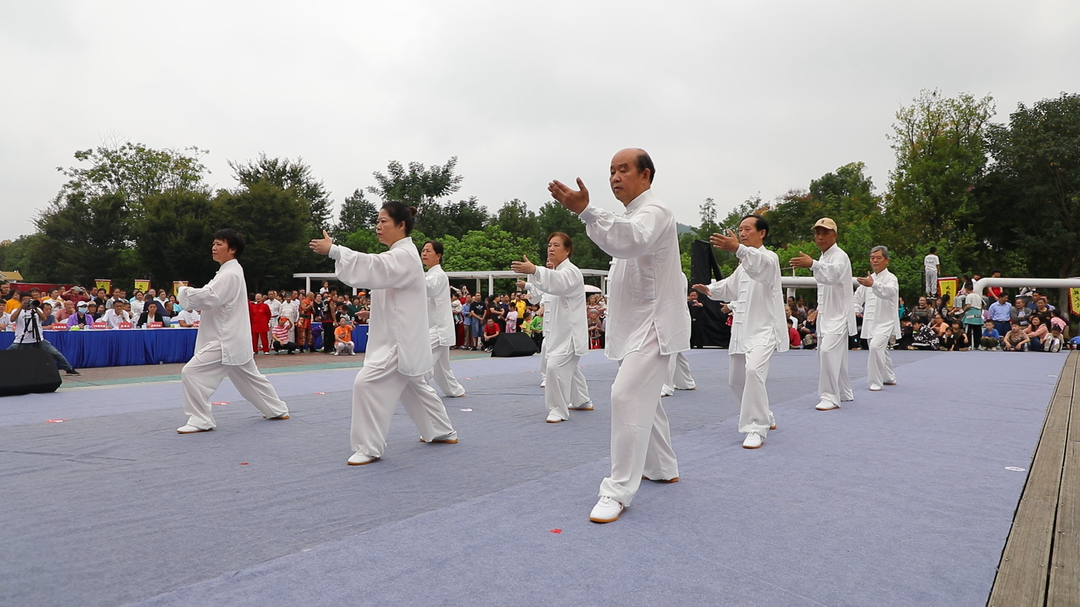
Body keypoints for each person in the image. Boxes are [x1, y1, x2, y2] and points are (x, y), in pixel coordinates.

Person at [549, 148, 690, 524]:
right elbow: (619, 240)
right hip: (637, 326)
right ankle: (662, 467)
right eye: (611, 170)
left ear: (645, 175)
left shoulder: (655, 211)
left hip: (655, 324)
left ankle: (617, 490)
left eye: (623, 170)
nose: (614, 177)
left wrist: (585, 211)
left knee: (625, 394)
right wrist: (590, 214)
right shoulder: (630, 215)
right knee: (645, 399)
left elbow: (629, 240)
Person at [309, 202, 458, 466]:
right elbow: (390, 290)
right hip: (399, 335)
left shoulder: (402, 255)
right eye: (377, 222)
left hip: (399, 340)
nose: (378, 227)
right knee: (414, 386)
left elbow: (373, 266)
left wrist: (334, 250)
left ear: (401, 226)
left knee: (366, 383)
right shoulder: (400, 255)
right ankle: (441, 430)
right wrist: (372, 314)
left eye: (384, 222)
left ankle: (369, 447)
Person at [175, 229, 290, 434]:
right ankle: (276, 409)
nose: (214, 247)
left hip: (225, 337)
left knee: (192, 372)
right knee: (250, 377)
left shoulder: (230, 273)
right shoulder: (228, 272)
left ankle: (200, 418)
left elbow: (210, 297)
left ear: (233, 249)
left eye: (219, 244)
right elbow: (212, 297)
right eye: (214, 243)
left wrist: (184, 292)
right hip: (233, 336)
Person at [694, 215, 787, 449]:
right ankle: (764, 412)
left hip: (763, 329)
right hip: (741, 329)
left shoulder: (769, 258)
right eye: (740, 230)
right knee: (736, 382)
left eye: (747, 229)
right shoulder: (743, 264)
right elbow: (730, 287)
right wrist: (710, 289)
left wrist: (737, 248)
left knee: (754, 371)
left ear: (762, 233)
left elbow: (759, 265)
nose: (742, 233)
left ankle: (755, 426)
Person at [511, 232, 593, 423]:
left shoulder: (571, 272)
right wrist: (531, 282)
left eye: (556, 245)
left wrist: (535, 270)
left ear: (567, 250)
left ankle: (558, 409)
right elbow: (542, 291)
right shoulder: (555, 274)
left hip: (570, 334)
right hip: (557, 332)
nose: (551, 249)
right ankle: (582, 400)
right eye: (549, 245)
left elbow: (557, 284)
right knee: (569, 369)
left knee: (555, 367)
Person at [789, 218, 856, 411]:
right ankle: (844, 392)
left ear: (834, 235)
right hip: (826, 314)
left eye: (825, 232)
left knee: (827, 352)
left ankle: (830, 396)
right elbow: (826, 286)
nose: (820, 237)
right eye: (817, 233)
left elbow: (833, 274)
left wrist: (812, 264)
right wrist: (818, 309)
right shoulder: (824, 258)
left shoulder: (839, 256)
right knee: (832, 354)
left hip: (840, 315)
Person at [421, 240, 466, 398]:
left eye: (428, 251)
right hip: (436, 328)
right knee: (442, 368)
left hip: (439, 329)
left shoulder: (438, 275)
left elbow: (427, 287)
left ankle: (421, 391)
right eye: (423, 250)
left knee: (422, 359)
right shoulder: (430, 275)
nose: (424, 253)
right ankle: (456, 391)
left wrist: (410, 272)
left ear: (438, 256)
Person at [7, 295, 81, 375]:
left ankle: (68, 368)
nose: (28, 302)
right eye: (26, 300)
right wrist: (21, 307)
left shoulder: (37, 309)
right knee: (7, 354)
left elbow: (44, 318)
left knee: (55, 353)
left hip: (38, 339)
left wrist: (35, 308)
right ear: (21, 301)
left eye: (30, 300)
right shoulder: (17, 310)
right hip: (21, 339)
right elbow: (12, 319)